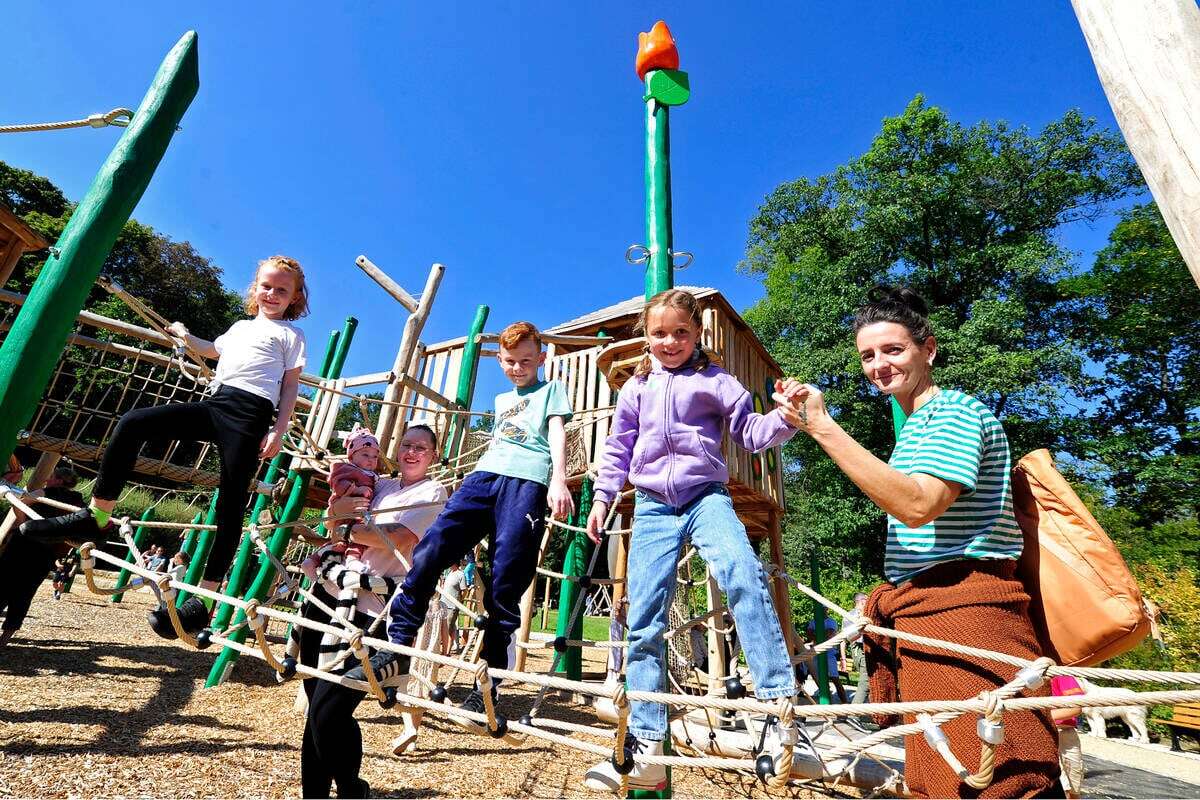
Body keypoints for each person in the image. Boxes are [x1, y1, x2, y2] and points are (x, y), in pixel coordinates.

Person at [780, 286, 1061, 798]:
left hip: (968, 610)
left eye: (893, 350)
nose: (879, 364)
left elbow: (917, 505)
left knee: (1000, 775)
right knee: (940, 774)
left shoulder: (952, 412)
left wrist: (821, 427)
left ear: (927, 349)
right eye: (868, 355)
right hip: (927, 608)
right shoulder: (913, 429)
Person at [580, 288, 805, 792]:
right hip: (654, 505)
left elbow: (751, 433)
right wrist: (602, 498)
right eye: (659, 333)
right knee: (643, 618)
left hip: (706, 497)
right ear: (646, 335)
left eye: (680, 331)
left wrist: (786, 418)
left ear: (696, 333)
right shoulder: (635, 389)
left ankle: (778, 711)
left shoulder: (716, 381)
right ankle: (646, 740)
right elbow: (618, 449)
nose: (670, 341)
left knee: (744, 576)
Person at [17, 256, 308, 638]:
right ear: (254, 288)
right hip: (216, 403)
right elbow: (211, 350)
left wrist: (278, 429)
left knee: (232, 500)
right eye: (266, 286)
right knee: (132, 423)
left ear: (294, 298)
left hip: (251, 414)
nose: (272, 294)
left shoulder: (290, 336)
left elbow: (289, 388)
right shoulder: (239, 327)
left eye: (281, 290)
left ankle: (203, 599)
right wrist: (183, 335)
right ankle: (98, 516)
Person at [346, 321, 574, 718]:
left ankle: (490, 682)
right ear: (500, 361)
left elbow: (556, 434)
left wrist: (559, 479)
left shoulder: (550, 390)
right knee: (432, 546)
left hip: (527, 482)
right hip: (483, 478)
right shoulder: (503, 401)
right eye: (509, 361)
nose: (517, 368)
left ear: (540, 359)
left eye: (525, 361)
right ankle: (396, 645)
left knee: (506, 577)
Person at [300, 423, 447, 799]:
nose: (412, 452)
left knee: (328, 710)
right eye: (407, 445)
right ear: (396, 450)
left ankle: (352, 787)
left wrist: (347, 530)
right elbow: (336, 519)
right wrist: (338, 521)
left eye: (422, 448)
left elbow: (397, 537)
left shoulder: (432, 492)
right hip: (330, 597)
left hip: (373, 611)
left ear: (433, 455)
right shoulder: (380, 485)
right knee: (318, 710)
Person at [0, 462, 86, 645]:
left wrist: (23, 525)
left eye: (52, 477)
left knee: (3, 585)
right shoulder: (79, 502)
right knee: (25, 593)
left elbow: (22, 503)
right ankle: (4, 640)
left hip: (24, 545)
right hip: (47, 552)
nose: (47, 479)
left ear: (59, 480)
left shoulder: (47, 493)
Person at [326, 425, 380, 561]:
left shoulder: (373, 475)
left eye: (375, 456)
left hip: (360, 512)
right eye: (365, 454)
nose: (370, 459)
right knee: (342, 531)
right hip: (345, 509)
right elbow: (337, 483)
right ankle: (334, 551)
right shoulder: (347, 468)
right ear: (352, 456)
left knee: (361, 534)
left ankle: (352, 557)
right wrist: (356, 489)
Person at [1050, 674, 1085, 799]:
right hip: (1046, 734)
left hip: (1066, 734)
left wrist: (1046, 716)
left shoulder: (1061, 675)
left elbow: (1076, 707)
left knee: (1074, 785)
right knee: (1060, 784)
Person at [805, 616, 849, 703]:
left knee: (835, 679)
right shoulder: (813, 622)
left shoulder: (831, 621)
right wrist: (822, 634)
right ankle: (828, 702)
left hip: (829, 653)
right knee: (819, 679)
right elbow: (809, 635)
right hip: (816, 653)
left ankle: (844, 702)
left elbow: (830, 634)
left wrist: (816, 634)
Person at [439, 559, 468, 654]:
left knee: (448, 628)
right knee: (444, 627)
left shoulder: (461, 574)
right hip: (443, 604)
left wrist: (459, 601)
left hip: (452, 606)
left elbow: (464, 590)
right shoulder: (449, 573)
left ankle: (446, 652)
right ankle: (444, 649)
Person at [846, 593, 870, 707]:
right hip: (860, 649)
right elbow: (849, 637)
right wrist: (861, 630)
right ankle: (853, 715)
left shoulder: (868, 614)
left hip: (870, 649)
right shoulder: (850, 616)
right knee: (865, 681)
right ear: (861, 601)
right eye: (867, 599)